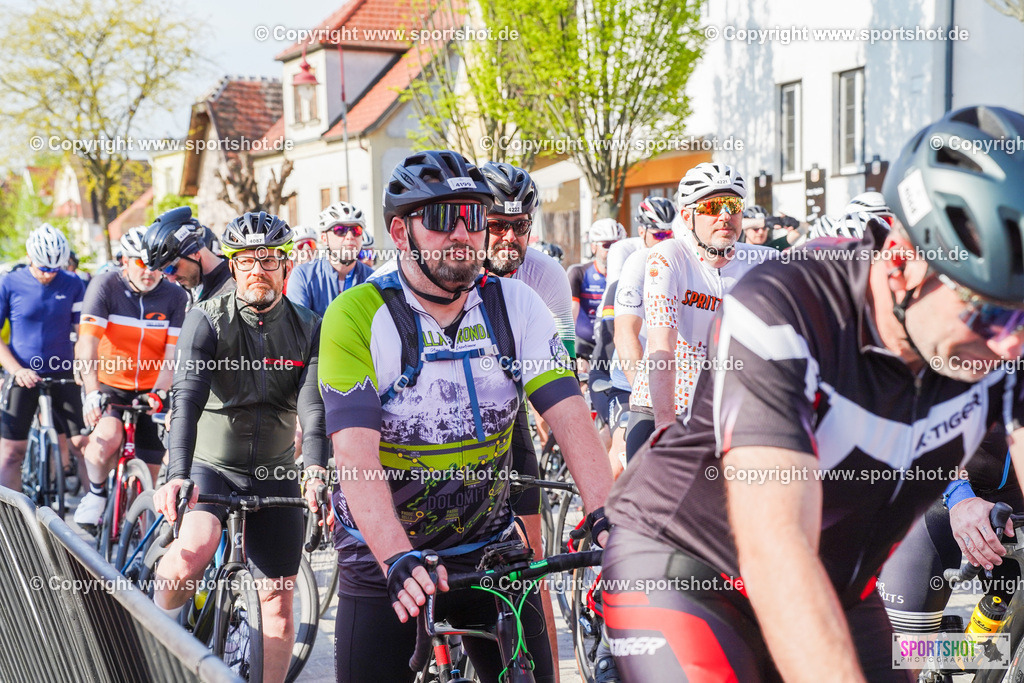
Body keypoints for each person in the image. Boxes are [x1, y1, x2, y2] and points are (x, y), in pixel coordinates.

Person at [603, 105, 1024, 681]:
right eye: (989, 315)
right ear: (902, 264)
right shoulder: (785, 309)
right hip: (687, 563)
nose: (1010, 348)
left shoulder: (1001, 341)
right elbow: (776, 553)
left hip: (840, 581)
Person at [319, 150, 613, 682]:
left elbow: (571, 417)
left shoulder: (517, 305)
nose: (462, 232)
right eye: (439, 218)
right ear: (400, 232)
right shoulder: (358, 314)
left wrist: (605, 513)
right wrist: (394, 557)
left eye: (473, 216)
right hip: (384, 554)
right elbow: (354, 454)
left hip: (488, 547)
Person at [152, 211, 328, 683]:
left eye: (269, 259)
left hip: (274, 469)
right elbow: (186, 399)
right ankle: (162, 645)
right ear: (231, 266)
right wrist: (176, 475)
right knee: (194, 546)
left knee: (279, 599)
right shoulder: (206, 319)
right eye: (247, 260)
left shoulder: (310, 327)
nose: (258, 270)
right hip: (211, 462)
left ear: (286, 265)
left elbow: (314, 411)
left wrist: (316, 472)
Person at [480, 160, 574, 677]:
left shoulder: (545, 273)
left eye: (520, 226)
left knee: (534, 567)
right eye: (497, 225)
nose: (509, 238)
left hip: (510, 417)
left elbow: (563, 364)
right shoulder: (450, 266)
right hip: (437, 427)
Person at [624, 163, 775, 460]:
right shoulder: (668, 257)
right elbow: (660, 346)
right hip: (663, 404)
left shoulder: (765, 261)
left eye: (733, 205)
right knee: (646, 503)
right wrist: (665, 426)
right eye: (712, 206)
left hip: (728, 412)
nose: (724, 215)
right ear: (687, 216)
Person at [73, 226, 188, 530]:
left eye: (156, 265)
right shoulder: (105, 285)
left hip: (153, 386)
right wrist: (91, 391)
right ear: (124, 260)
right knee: (103, 443)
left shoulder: (175, 295)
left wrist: (160, 393)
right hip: (111, 384)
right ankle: (96, 494)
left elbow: (172, 355)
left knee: (149, 477)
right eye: (140, 262)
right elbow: (87, 344)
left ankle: (138, 545)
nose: (149, 271)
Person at [878, 427, 1021, 635]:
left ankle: (971, 658)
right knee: (906, 653)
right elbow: (919, 421)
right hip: (938, 489)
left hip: (1013, 503)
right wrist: (957, 492)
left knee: (1005, 642)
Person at [0, 224, 86, 490]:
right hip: (22, 372)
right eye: (43, 268)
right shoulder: (10, 282)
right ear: (29, 256)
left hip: (63, 371)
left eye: (55, 269)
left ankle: (96, 514)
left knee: (81, 444)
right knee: (12, 452)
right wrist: (15, 370)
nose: (49, 275)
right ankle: (8, 521)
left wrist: (83, 365)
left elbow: (83, 332)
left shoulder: (73, 283)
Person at [606, 197, 676, 466]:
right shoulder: (635, 267)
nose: (665, 240)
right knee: (623, 451)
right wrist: (646, 393)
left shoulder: (682, 263)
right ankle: (602, 507)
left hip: (670, 383)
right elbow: (622, 335)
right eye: (658, 234)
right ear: (642, 232)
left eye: (669, 234)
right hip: (628, 381)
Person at [286, 201, 374, 316]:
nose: (350, 237)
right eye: (340, 230)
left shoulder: (373, 279)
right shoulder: (302, 276)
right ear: (324, 238)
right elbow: (299, 327)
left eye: (356, 230)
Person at [143, 207, 233, 304]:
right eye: (164, 272)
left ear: (194, 253)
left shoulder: (234, 286)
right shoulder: (196, 285)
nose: (171, 279)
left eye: (171, 268)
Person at [569, 218, 626, 365]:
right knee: (580, 380)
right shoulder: (579, 273)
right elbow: (571, 313)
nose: (613, 250)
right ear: (593, 247)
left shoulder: (629, 274)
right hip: (584, 345)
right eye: (606, 245)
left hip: (616, 344)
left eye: (617, 244)